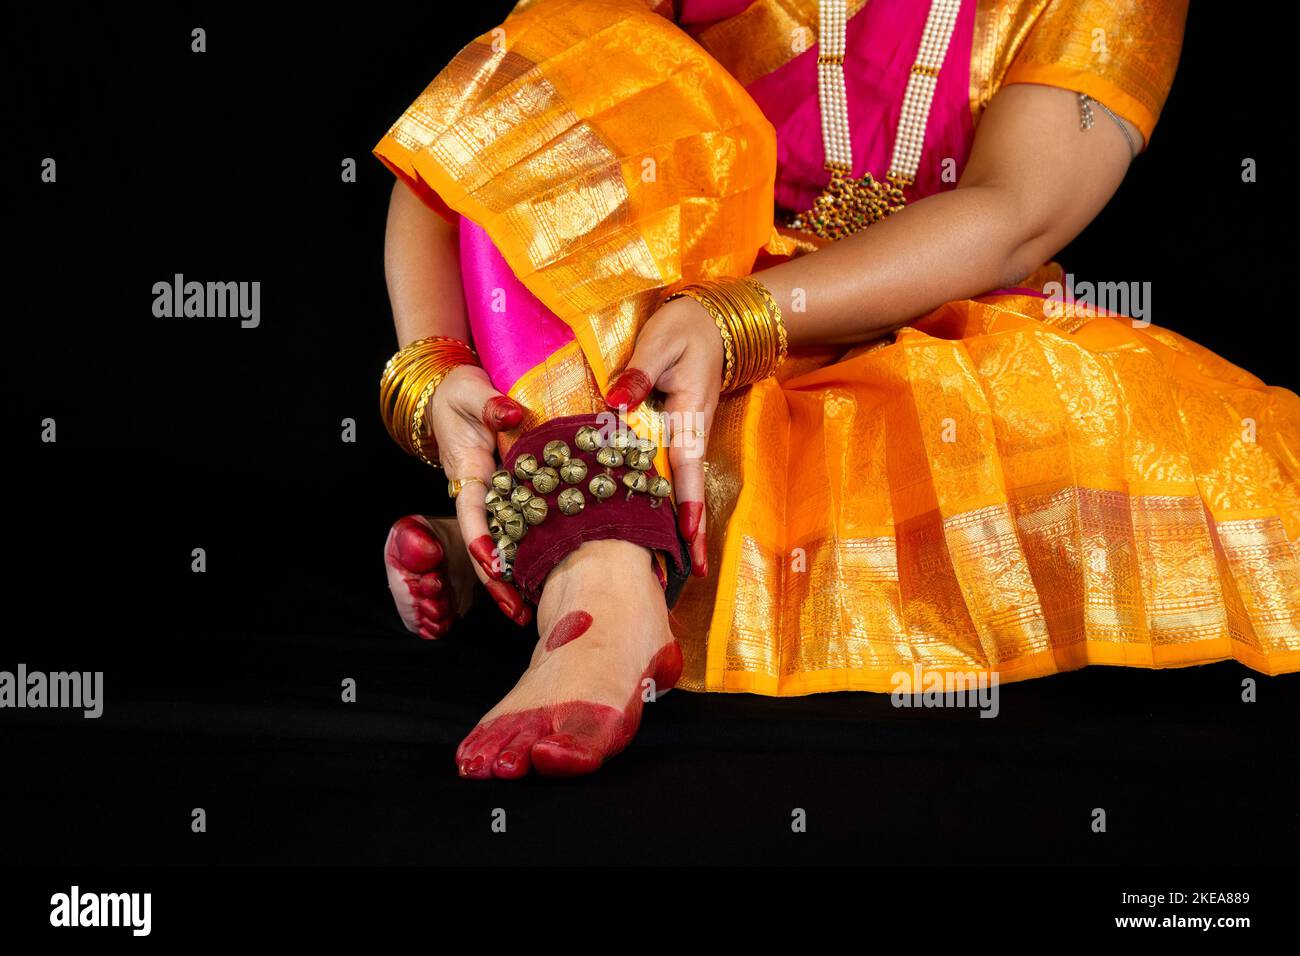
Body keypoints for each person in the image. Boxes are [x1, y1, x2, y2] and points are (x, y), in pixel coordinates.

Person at [374, 0, 1298, 780]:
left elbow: (1018, 212)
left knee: (1165, 448)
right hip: (654, 348)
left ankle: (524, 537)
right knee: (582, 44)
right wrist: (431, 370)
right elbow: (493, 120)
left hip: (924, 341)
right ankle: (597, 574)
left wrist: (744, 316)